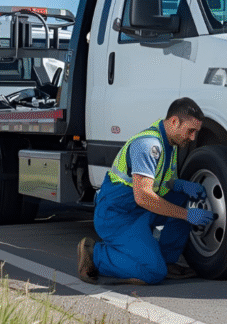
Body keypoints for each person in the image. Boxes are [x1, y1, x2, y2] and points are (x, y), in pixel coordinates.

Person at [77, 97, 214, 285]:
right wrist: (187, 214)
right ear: (174, 122)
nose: (192, 138)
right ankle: (95, 255)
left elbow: (162, 182)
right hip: (118, 216)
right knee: (153, 272)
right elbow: (144, 197)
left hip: (138, 212)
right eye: (190, 131)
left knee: (183, 197)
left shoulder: (170, 144)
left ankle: (166, 261)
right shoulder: (149, 146)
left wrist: (181, 185)